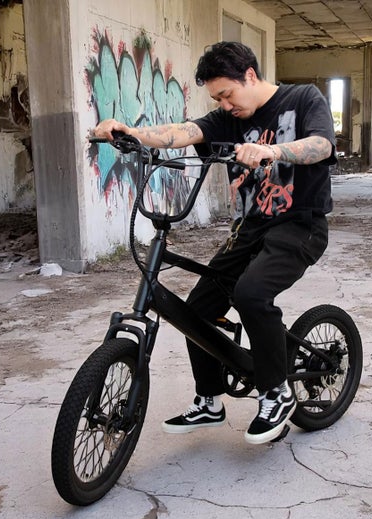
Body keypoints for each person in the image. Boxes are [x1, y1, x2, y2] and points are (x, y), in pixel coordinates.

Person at [94, 41, 337, 444]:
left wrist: (271, 150)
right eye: (217, 99)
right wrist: (130, 132)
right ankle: (209, 400)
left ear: (250, 76)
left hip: (300, 224)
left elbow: (322, 145)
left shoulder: (302, 98)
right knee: (199, 309)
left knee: (251, 294)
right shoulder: (227, 118)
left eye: (227, 94)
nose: (225, 105)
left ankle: (277, 393)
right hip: (249, 228)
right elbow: (184, 132)